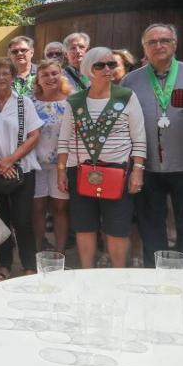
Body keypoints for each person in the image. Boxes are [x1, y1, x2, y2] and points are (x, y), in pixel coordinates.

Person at [123, 23, 183, 270]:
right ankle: (154, 272)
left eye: (164, 40)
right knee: (151, 225)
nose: (158, 45)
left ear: (175, 44)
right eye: (152, 42)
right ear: (144, 48)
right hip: (147, 166)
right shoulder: (131, 80)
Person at [57, 47, 147, 268]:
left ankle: (118, 275)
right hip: (80, 171)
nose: (107, 69)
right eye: (100, 65)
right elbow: (64, 140)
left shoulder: (126, 97)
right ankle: (88, 273)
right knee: (84, 227)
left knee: (117, 229)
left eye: (111, 64)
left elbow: (139, 138)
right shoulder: (75, 101)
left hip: (118, 172)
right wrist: (61, 170)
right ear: (89, 69)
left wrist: (137, 171)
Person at [0, 58, 42, 278]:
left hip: (23, 169)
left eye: (6, 73)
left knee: (23, 220)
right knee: (1, 221)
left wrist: (11, 159)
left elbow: (35, 135)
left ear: (13, 76)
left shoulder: (24, 103)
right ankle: (4, 264)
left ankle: (29, 265)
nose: (1, 78)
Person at [30, 59, 73, 253]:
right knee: (37, 209)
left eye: (54, 73)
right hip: (35, 165)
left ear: (61, 75)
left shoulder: (71, 100)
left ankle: (60, 253)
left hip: (61, 166)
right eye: (45, 74)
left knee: (60, 209)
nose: (50, 78)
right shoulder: (30, 102)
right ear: (38, 79)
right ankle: (38, 252)